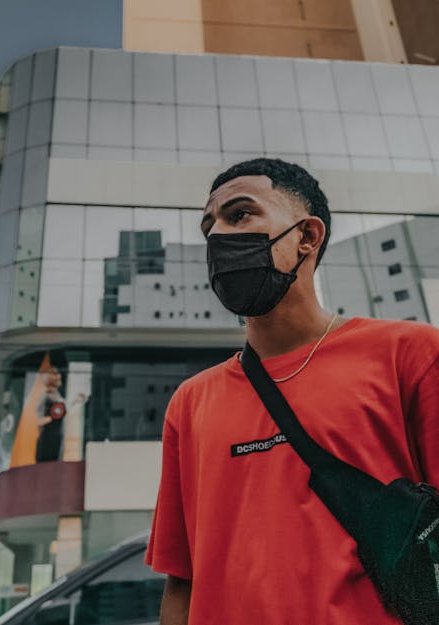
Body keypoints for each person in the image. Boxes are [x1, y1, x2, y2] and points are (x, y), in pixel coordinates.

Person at [146, 158, 439, 625]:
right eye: (210, 227)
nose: (219, 236)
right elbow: (182, 581)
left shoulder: (410, 355)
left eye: (239, 214)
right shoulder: (191, 402)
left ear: (307, 236)